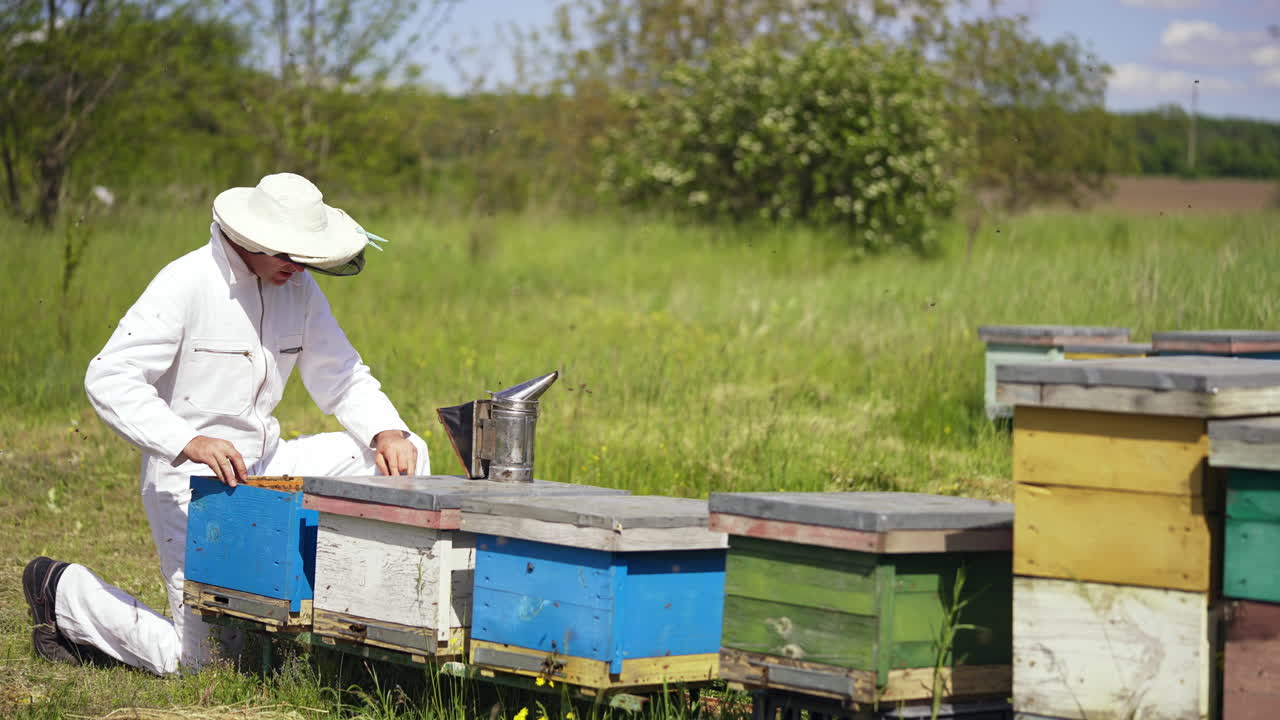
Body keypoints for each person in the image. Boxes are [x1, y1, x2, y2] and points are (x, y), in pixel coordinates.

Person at [21, 172, 430, 675]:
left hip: (268, 465)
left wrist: (385, 429)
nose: (298, 267)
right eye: (287, 254)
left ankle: (363, 628)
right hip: (191, 483)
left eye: (305, 256)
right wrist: (186, 440)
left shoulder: (298, 289)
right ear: (250, 238)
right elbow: (109, 377)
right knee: (207, 664)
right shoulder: (186, 282)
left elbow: (341, 374)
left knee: (402, 455)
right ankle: (62, 592)